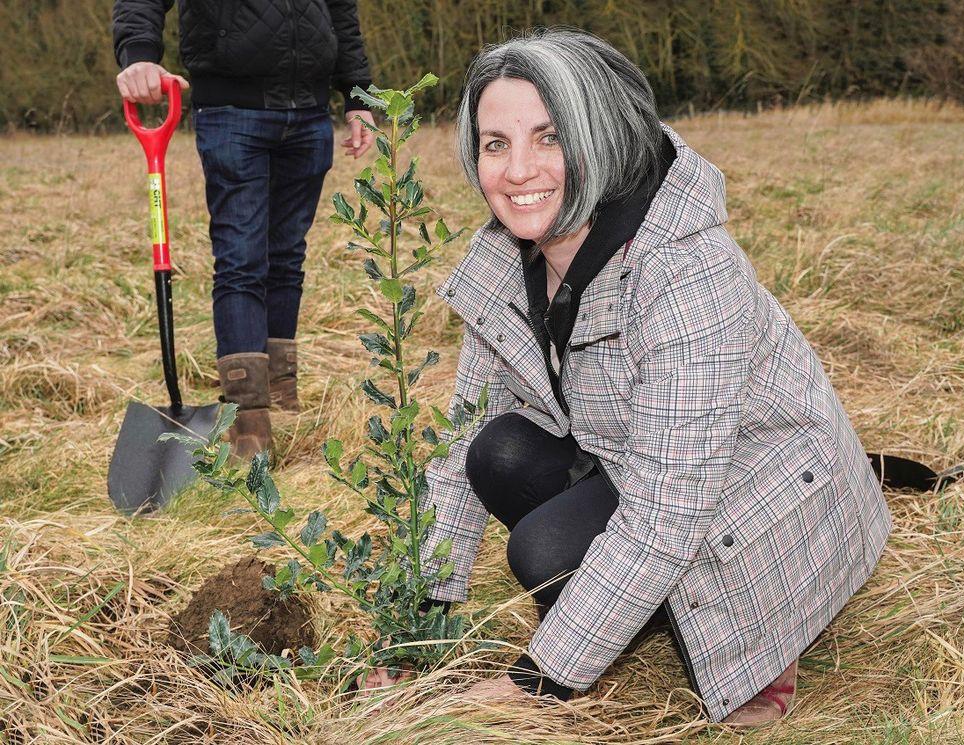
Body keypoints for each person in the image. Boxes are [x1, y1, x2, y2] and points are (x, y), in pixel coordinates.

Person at [416, 29, 892, 726]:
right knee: (497, 450)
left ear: (599, 135)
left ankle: (760, 631)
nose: (517, 171)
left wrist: (537, 683)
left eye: (549, 138)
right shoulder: (507, 256)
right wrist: (419, 615)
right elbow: (459, 447)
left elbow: (668, 511)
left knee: (545, 548)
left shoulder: (685, 271)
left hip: (755, 500)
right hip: (638, 462)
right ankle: (634, 615)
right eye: (495, 144)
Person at [112, 0, 375, 459]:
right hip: (232, 109)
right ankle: (249, 427)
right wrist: (138, 55)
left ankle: (280, 399)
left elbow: (340, 9)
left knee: (288, 258)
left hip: (310, 112)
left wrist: (358, 94)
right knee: (241, 261)